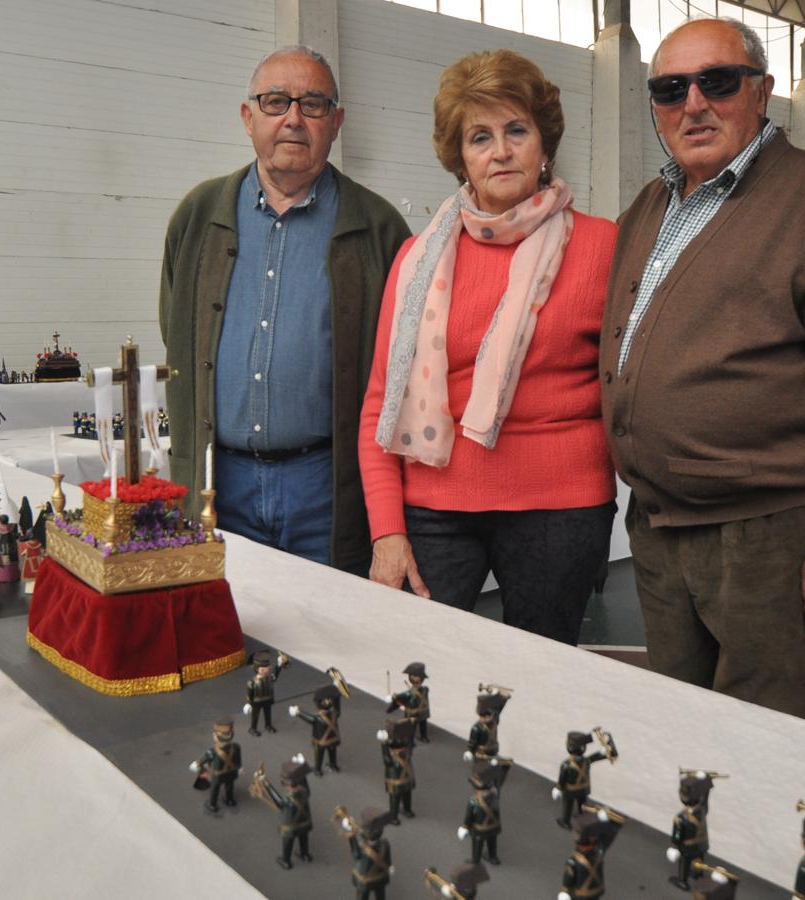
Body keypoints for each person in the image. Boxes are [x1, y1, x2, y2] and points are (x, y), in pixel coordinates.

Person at [602, 18, 805, 728]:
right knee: (682, 727)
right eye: (670, 89)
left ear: (762, 91)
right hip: (659, 525)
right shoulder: (648, 208)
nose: (693, 104)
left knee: (772, 740)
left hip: (765, 536)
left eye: (717, 81)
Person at [359, 49, 617, 645]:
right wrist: (386, 531)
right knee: (419, 673)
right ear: (461, 159)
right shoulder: (416, 258)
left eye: (516, 130)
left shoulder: (603, 247)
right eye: (480, 137)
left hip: (560, 505)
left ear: (544, 144)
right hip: (434, 504)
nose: (500, 150)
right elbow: (379, 403)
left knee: (544, 681)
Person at [158, 45, 409, 572]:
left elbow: (400, 374)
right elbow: (177, 331)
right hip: (217, 484)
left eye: (313, 104)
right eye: (276, 102)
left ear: (336, 122)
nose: (293, 118)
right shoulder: (197, 216)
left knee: (331, 638)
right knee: (225, 637)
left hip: (326, 488)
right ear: (248, 117)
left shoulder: (379, 228)